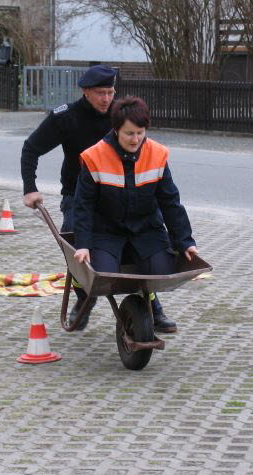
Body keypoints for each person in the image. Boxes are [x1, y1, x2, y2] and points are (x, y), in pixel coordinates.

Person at [72, 96, 198, 328]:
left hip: (145, 229)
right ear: (116, 129)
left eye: (140, 132)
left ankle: (152, 307)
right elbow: (83, 206)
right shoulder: (95, 157)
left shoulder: (157, 155)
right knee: (100, 276)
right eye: (129, 133)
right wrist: (82, 244)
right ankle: (83, 297)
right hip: (106, 230)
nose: (136, 139)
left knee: (161, 272)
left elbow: (170, 201)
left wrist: (185, 241)